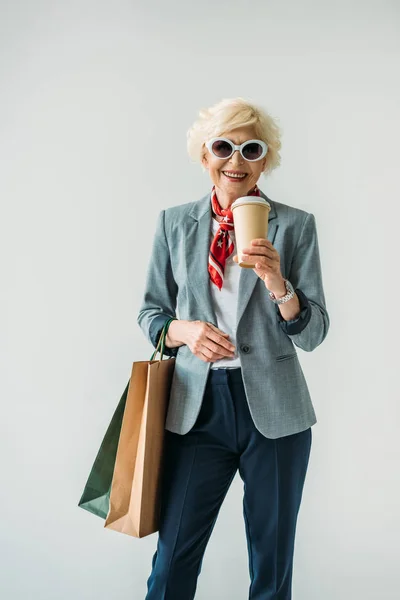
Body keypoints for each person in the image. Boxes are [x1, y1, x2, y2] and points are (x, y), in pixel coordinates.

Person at [137, 97, 330, 600]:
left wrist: (277, 282)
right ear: (205, 156)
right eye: (223, 147)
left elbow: (314, 334)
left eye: (251, 149)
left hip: (277, 413)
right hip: (197, 410)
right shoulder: (173, 224)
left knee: (271, 562)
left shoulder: (296, 225)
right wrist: (187, 332)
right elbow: (151, 314)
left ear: (266, 160)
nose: (236, 161)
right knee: (173, 559)